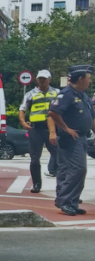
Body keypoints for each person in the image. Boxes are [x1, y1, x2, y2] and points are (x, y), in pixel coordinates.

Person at [48, 64, 95, 216]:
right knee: (77, 169)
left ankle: (72, 202)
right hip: (70, 138)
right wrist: (66, 128)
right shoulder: (67, 94)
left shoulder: (83, 95)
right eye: (88, 78)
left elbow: (91, 118)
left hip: (82, 137)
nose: (90, 81)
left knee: (77, 170)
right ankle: (64, 200)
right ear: (80, 78)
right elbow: (53, 112)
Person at [19, 69, 59, 191]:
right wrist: (23, 123)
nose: (42, 81)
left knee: (59, 157)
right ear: (37, 80)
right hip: (36, 129)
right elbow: (22, 109)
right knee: (35, 158)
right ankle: (37, 184)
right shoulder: (30, 94)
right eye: (40, 78)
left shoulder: (57, 92)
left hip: (53, 129)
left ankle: (62, 186)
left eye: (44, 78)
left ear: (49, 79)